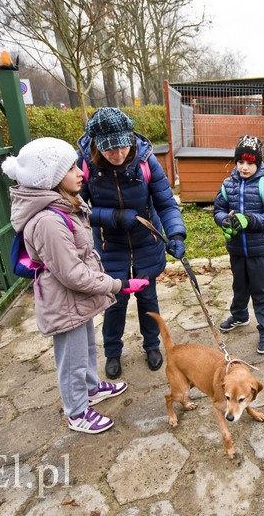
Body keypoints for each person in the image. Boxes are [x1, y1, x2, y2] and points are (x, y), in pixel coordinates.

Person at [2, 137, 149, 433]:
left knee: (85, 349)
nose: (80, 172)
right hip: (63, 301)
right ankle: (77, 411)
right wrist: (117, 285)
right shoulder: (48, 221)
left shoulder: (65, 206)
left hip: (75, 301)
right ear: (51, 179)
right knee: (70, 359)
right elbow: (73, 274)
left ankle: (91, 388)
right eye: (70, 168)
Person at [77, 108, 186, 379]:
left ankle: (152, 345)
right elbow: (76, 210)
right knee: (114, 303)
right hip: (110, 248)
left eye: (122, 146)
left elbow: (165, 202)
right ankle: (112, 352)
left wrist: (176, 235)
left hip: (146, 244)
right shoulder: (84, 166)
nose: (117, 154)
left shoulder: (147, 161)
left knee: (148, 300)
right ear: (96, 146)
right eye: (109, 150)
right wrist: (113, 217)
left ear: (130, 138)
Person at [213, 135, 264, 354]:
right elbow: (218, 210)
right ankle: (240, 316)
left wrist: (248, 220)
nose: (244, 167)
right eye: (241, 162)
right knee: (239, 287)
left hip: (259, 250)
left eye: (250, 163)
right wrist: (225, 220)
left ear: (258, 163)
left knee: (262, 290)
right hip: (236, 250)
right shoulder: (227, 184)